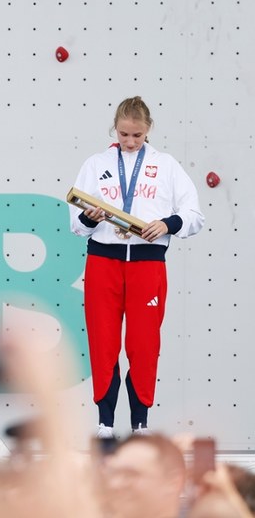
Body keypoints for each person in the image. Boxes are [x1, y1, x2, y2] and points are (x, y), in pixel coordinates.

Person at [69, 96, 204, 437]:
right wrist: (89, 215)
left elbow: (194, 214)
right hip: (103, 260)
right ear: (114, 128)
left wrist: (168, 223)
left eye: (137, 136)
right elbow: (75, 221)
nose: (130, 142)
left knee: (144, 346)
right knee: (103, 342)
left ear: (149, 131)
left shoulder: (167, 165)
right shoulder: (96, 163)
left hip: (147, 264)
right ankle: (104, 424)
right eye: (124, 134)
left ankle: (140, 424)